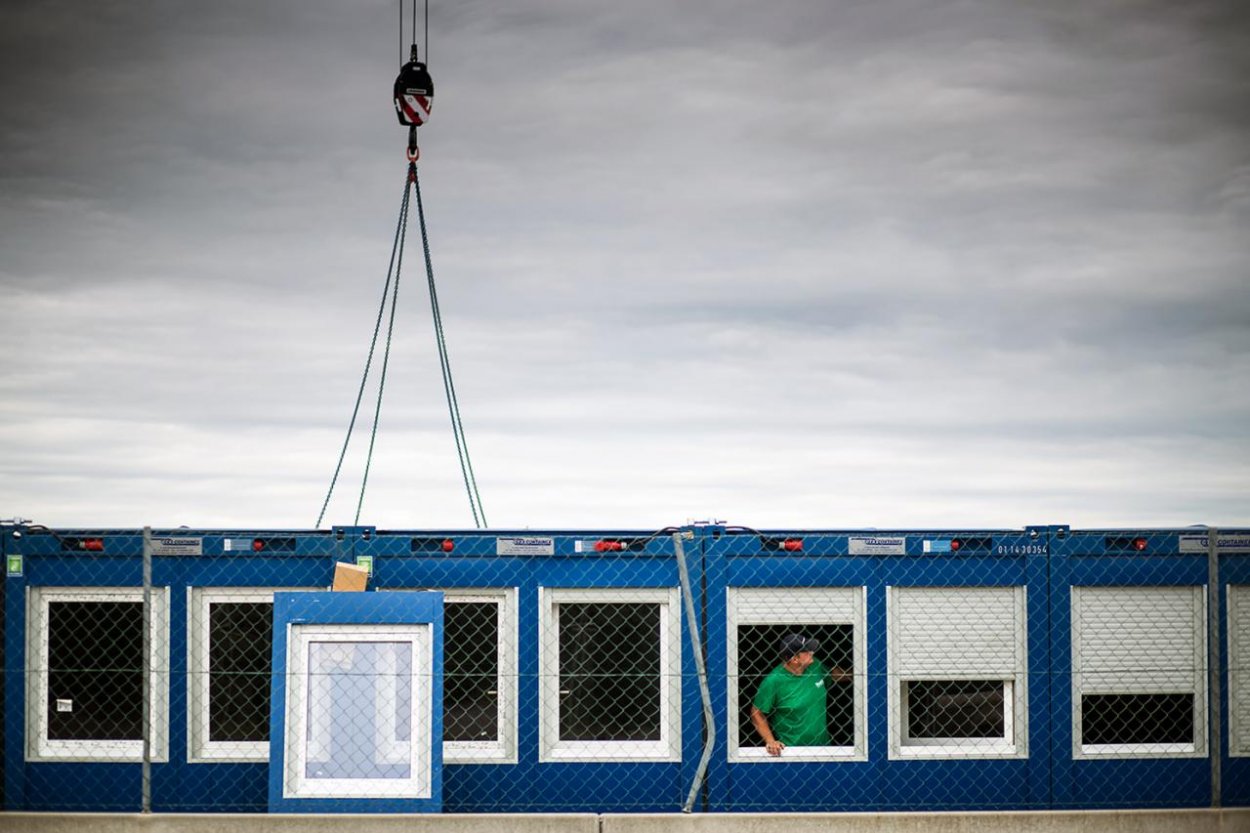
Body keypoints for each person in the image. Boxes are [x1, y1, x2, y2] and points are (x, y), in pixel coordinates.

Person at [750, 633, 851, 756]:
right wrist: (770, 741)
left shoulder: (815, 666)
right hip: (792, 751)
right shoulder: (773, 681)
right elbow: (756, 713)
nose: (812, 652)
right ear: (795, 659)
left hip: (824, 748)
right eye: (807, 651)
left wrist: (858, 674)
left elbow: (832, 674)